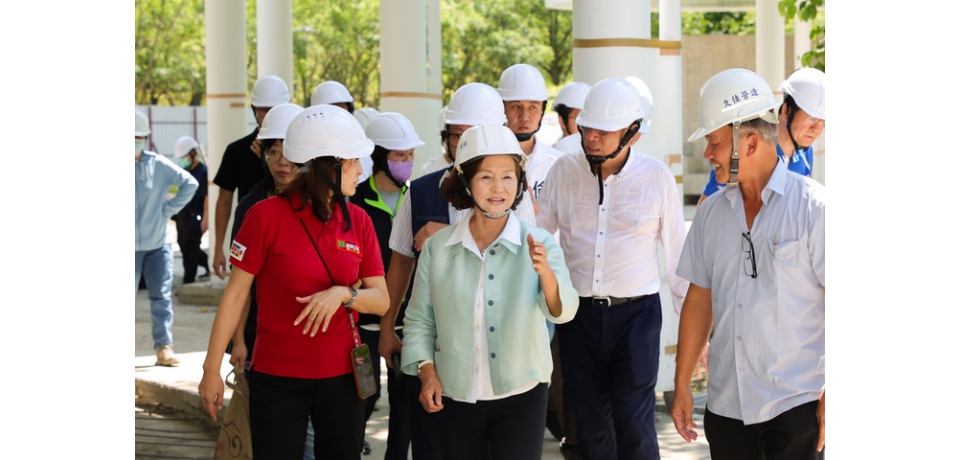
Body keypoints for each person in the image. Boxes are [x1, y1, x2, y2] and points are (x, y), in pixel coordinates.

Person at [199, 104, 389, 460]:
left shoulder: (359, 221)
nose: (362, 170)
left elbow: (381, 300)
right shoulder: (264, 216)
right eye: (353, 161)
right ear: (327, 164)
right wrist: (211, 370)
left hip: (343, 378)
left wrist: (344, 295)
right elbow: (236, 295)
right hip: (277, 378)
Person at [672, 68, 826, 460]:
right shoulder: (710, 215)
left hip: (795, 407)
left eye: (715, 143)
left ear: (751, 142)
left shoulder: (815, 209)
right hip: (726, 410)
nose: (708, 154)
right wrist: (682, 384)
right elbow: (699, 300)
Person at [401, 123, 579, 460]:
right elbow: (419, 321)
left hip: (522, 395)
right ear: (466, 182)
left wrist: (547, 276)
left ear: (520, 181)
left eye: (508, 176)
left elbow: (564, 311)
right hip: (455, 394)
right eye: (485, 177)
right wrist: (427, 373)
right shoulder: (438, 248)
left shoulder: (540, 242)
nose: (498, 188)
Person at [380, 82, 537, 460]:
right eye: (458, 136)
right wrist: (387, 327)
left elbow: (532, 266)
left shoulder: (513, 194)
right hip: (439, 347)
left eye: (476, 135)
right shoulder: (419, 190)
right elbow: (401, 261)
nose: (465, 145)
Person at [536, 78, 688, 460]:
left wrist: (693, 334)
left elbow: (678, 259)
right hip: (577, 318)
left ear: (632, 133)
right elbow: (539, 241)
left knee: (634, 426)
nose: (591, 137)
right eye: (587, 128)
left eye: (604, 131)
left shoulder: (657, 178)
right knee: (588, 429)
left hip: (637, 318)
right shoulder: (563, 172)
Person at [352, 112, 423, 459]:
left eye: (411, 155)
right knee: (364, 396)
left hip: (406, 326)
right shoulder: (354, 201)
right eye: (399, 156)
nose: (407, 163)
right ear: (378, 156)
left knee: (405, 402)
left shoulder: (419, 199)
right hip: (360, 329)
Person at [697, 67, 825, 205]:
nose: (816, 129)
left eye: (823, 121)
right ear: (786, 111)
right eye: (810, 119)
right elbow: (705, 208)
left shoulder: (805, 154)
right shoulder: (753, 153)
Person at [135, 110, 199, 367]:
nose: (136, 140)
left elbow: (190, 184)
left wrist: (168, 210)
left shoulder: (158, 164)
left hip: (158, 244)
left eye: (139, 136)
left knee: (161, 297)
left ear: (146, 137)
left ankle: (164, 347)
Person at [212, 75, 292, 279]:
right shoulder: (236, 151)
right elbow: (224, 201)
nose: (269, 114)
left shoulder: (303, 152)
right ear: (255, 110)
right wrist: (218, 247)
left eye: (275, 108)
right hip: (249, 235)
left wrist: (269, 162)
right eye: (264, 109)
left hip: (289, 236)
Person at [497, 63, 567, 199]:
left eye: (532, 107)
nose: (524, 117)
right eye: (516, 106)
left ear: (542, 110)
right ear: (502, 108)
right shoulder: (484, 162)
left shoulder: (558, 163)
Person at [172, 135, 210, 284]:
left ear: (193, 153)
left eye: (184, 156)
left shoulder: (203, 172)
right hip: (182, 216)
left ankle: (188, 280)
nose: (182, 160)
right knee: (183, 244)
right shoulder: (184, 172)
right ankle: (206, 263)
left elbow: (207, 198)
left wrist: (206, 220)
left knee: (190, 248)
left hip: (196, 217)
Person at [550, 82, 591, 156]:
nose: (586, 126)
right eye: (578, 118)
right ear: (562, 121)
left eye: (590, 118)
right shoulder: (559, 151)